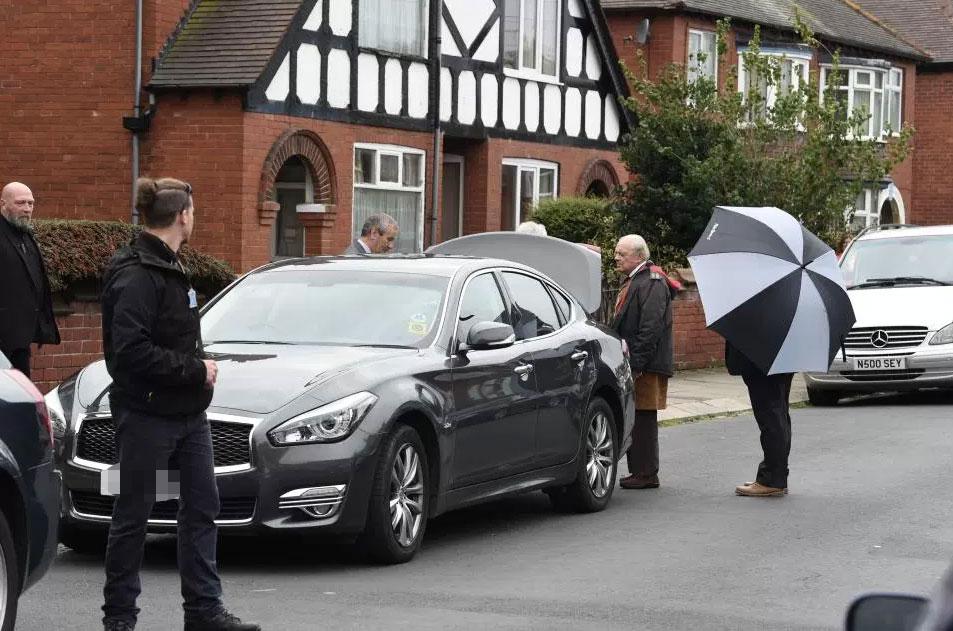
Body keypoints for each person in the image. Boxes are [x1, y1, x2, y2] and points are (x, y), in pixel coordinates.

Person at [100, 177, 260, 631]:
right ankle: (119, 620)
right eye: (195, 211)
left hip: (189, 415)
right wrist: (196, 370)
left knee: (202, 507)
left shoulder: (170, 264)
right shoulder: (135, 273)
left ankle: (204, 611)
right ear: (182, 216)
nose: (196, 217)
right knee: (133, 515)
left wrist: (195, 372)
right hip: (146, 415)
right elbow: (129, 352)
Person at [612, 235, 675, 490]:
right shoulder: (637, 280)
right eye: (616, 252)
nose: (616, 257)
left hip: (646, 364)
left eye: (621, 253)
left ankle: (646, 473)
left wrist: (636, 364)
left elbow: (650, 327)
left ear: (639, 256)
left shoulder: (652, 282)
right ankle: (640, 470)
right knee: (636, 414)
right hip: (638, 362)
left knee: (643, 416)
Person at [0, 182, 60, 376]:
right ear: (3, 204)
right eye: (20, 203)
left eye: (31, 203)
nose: (27, 209)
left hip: (20, 340)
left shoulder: (25, 236)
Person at [726, 342, 794, 497]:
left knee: (771, 417)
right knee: (779, 414)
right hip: (781, 355)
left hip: (763, 355)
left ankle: (771, 480)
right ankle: (777, 476)